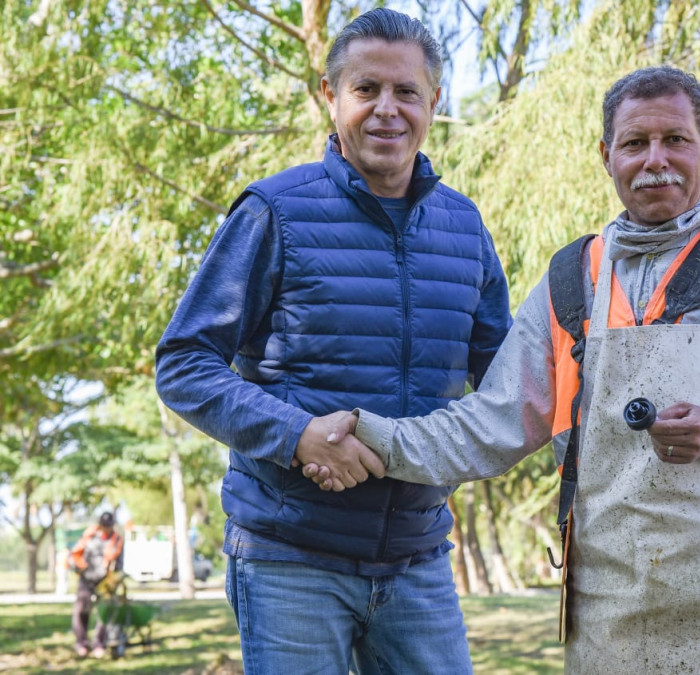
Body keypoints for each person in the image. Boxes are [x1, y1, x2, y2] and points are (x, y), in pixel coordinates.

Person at [309, 65, 700, 672]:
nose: (656, 160)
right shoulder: (569, 283)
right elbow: (488, 425)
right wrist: (369, 435)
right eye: (634, 144)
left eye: (676, 140)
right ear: (606, 156)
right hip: (611, 617)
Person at [154, 8, 511, 674]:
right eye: (365, 89)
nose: (386, 110)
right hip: (290, 558)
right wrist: (299, 435)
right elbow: (184, 363)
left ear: (433, 101)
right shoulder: (275, 211)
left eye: (406, 92)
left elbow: (508, 382)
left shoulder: (465, 227)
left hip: (419, 559)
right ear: (330, 95)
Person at [69, 511, 123, 658]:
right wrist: (78, 568)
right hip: (86, 579)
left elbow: (118, 564)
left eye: (109, 525)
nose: (107, 528)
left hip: (104, 581)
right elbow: (75, 554)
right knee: (81, 611)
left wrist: (114, 582)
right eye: (104, 525)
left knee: (104, 613)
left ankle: (99, 644)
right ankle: (82, 643)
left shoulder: (117, 540)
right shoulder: (90, 537)